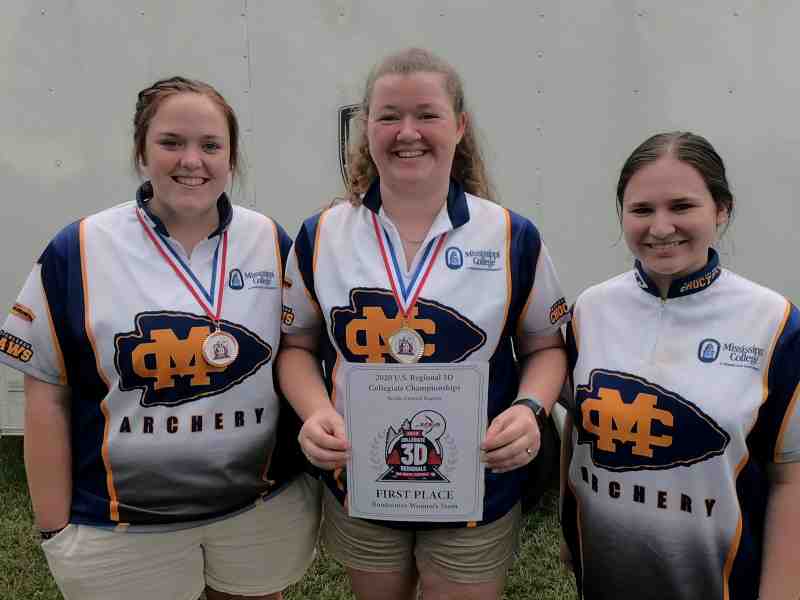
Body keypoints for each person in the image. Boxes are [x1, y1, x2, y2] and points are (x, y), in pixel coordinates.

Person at [0, 76, 320, 600]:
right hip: (121, 529)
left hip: (258, 512)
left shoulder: (268, 239)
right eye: (171, 142)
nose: (191, 160)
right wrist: (54, 528)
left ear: (231, 158)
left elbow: (295, 352)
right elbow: (46, 393)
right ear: (141, 152)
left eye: (210, 145)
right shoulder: (79, 247)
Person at [277, 48, 569, 600]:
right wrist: (315, 412)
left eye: (427, 114)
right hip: (362, 471)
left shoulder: (511, 236)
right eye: (388, 116)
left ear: (458, 126)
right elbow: (296, 344)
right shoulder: (321, 235)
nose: (407, 132)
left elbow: (545, 345)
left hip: (478, 475)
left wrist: (530, 410)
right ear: (366, 128)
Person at [560, 131, 800, 600]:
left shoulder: (774, 323)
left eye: (682, 206)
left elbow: (790, 477)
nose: (661, 227)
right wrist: (568, 532)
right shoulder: (590, 309)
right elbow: (576, 426)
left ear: (722, 210)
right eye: (642, 210)